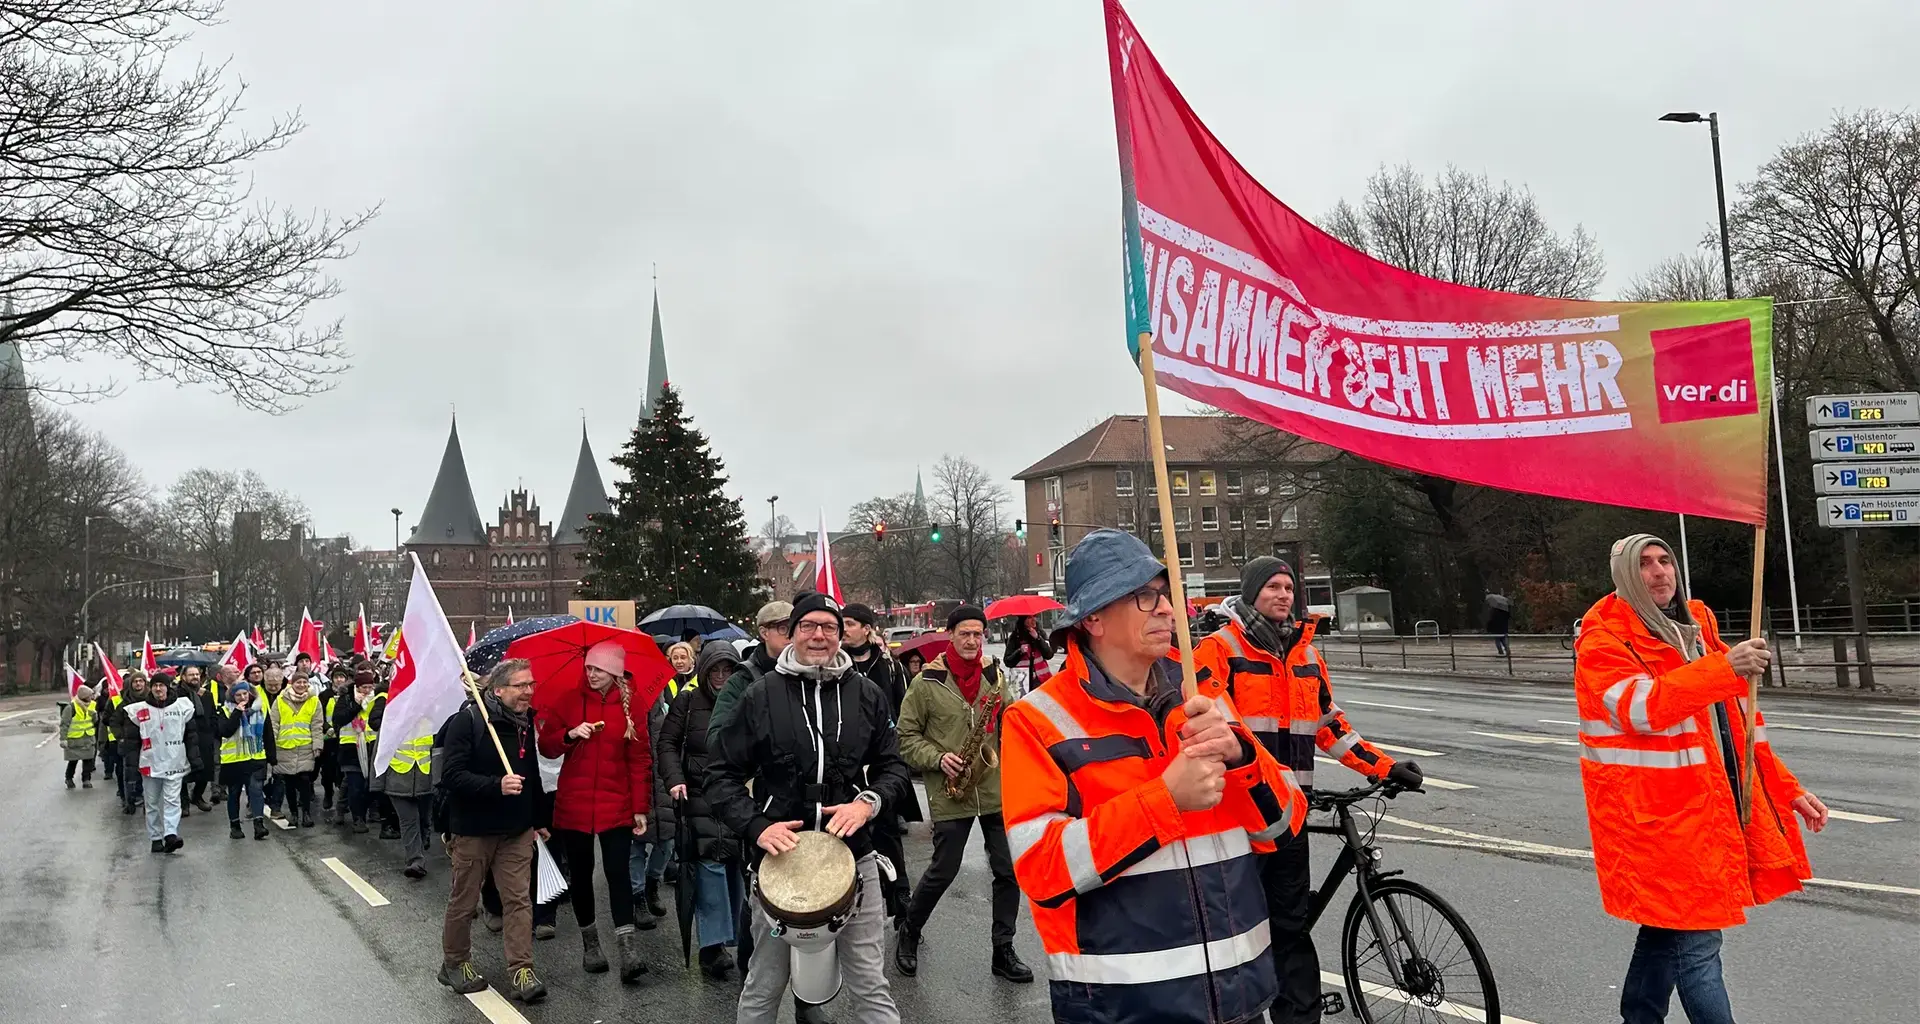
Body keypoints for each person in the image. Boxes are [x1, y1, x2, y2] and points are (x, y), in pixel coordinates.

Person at [1001, 529, 1307, 1024]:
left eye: (1166, 594)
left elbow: (1283, 826)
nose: (1166, 608)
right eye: (1145, 596)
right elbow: (1042, 868)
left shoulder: (1201, 695)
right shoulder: (1037, 720)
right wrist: (1165, 799)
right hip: (1124, 1006)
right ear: (1093, 618)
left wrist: (1242, 757)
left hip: (1240, 998)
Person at [1575, 534, 1826, 1024]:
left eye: (1665, 560)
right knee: (1698, 943)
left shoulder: (1694, 626)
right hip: (1656, 824)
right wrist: (1722, 667)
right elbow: (1640, 708)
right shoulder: (1604, 640)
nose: (1659, 572)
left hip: (1702, 814)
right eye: (1645, 564)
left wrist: (1788, 790)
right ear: (1624, 576)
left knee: (1668, 932)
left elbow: (1739, 731)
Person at [1191, 556, 1421, 1024]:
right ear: (1251, 593)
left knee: (1291, 928)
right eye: (1273, 587)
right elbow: (1218, 728)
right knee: (1236, 931)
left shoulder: (1307, 656)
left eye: (1289, 588)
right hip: (1238, 819)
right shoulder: (1219, 650)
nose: (1283, 595)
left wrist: (1384, 767)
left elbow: (1329, 725)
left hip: (1291, 817)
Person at [709, 592, 915, 1024]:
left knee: (870, 983)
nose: (819, 635)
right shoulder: (760, 694)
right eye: (808, 626)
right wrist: (757, 826)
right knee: (763, 984)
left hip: (853, 856)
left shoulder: (867, 693)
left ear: (840, 635)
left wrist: (868, 804)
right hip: (779, 860)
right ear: (792, 633)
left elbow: (894, 766)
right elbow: (720, 774)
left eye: (829, 627)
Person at [893, 606, 1032, 983]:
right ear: (951, 635)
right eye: (965, 633)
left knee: (1007, 871)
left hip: (993, 787)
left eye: (977, 634)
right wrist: (939, 759)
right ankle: (910, 930)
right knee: (944, 870)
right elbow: (905, 739)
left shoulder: (994, 675)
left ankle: (1003, 949)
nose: (972, 641)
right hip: (951, 790)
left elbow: (1012, 721)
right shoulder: (926, 682)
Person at [536, 640, 653, 982]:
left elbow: (639, 759)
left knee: (617, 874)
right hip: (574, 804)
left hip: (617, 805)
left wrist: (640, 807)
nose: (591, 674)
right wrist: (570, 734)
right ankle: (591, 946)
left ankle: (628, 951)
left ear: (614, 671)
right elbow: (546, 745)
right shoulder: (569, 700)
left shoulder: (634, 705)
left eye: (598, 669)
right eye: (588, 667)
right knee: (581, 875)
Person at [438, 658, 549, 1003]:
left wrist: (539, 817)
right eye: (521, 685)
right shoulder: (467, 721)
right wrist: (495, 785)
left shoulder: (525, 723)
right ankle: (455, 963)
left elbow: (531, 773)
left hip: (516, 829)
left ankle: (521, 970)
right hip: (473, 830)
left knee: (518, 900)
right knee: (465, 900)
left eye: (531, 684)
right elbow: (451, 776)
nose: (528, 691)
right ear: (498, 690)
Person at [657, 640, 748, 979]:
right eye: (716, 670)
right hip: (697, 794)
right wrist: (674, 779)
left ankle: (735, 937)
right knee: (709, 867)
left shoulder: (748, 699)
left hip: (737, 794)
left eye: (728, 670)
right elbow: (667, 743)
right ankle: (713, 946)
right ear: (706, 671)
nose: (721, 677)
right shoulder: (688, 701)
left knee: (735, 868)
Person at [840, 602, 919, 923]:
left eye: (850, 623)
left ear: (867, 629)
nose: (844, 629)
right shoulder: (837, 664)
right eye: (842, 623)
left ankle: (901, 900)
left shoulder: (888, 665)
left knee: (887, 833)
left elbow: (903, 707)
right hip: (848, 763)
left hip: (881, 759)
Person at [632, 641, 697, 925]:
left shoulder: (666, 709)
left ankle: (652, 884)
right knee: (636, 845)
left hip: (662, 781)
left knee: (666, 842)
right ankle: (636, 896)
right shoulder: (625, 713)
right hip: (635, 784)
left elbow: (672, 744)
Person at [123, 672, 204, 853]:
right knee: (152, 803)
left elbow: (191, 736)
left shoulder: (182, 707)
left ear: (168, 687)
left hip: (175, 762)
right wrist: (131, 766)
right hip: (149, 763)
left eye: (162, 685)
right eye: (155, 685)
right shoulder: (139, 710)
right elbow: (131, 741)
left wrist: (195, 759)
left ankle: (170, 835)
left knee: (172, 800)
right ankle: (155, 837)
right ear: (150, 688)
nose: (158, 689)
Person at [370, 675, 438, 878]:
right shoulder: (391, 719)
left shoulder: (433, 720)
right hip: (398, 779)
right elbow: (380, 752)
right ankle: (415, 860)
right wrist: (376, 783)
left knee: (424, 819)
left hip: (426, 778)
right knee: (409, 821)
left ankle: (422, 842)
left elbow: (439, 751)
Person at [706, 600, 793, 747]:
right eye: (783, 628)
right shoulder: (741, 681)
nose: (790, 635)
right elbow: (716, 740)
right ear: (764, 633)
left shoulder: (809, 674)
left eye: (795, 628)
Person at [216, 679, 277, 840]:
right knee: (234, 793)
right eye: (238, 695)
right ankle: (235, 826)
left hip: (256, 757)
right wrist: (237, 712)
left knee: (256, 790)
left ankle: (259, 825)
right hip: (234, 760)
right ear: (233, 697)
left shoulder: (260, 709)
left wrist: (272, 758)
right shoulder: (225, 710)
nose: (242, 697)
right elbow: (225, 731)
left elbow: (268, 734)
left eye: (245, 694)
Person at [271, 671, 326, 828]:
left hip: (305, 746)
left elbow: (317, 725)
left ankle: (306, 814)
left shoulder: (314, 701)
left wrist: (317, 745)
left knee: (305, 781)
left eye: (304, 682)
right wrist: (271, 746)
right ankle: (294, 814)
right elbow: (274, 723)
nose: (301, 685)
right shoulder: (280, 700)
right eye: (298, 682)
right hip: (284, 747)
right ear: (292, 683)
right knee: (289, 783)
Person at [332, 668, 384, 832]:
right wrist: (356, 705)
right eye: (364, 687)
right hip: (351, 748)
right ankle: (358, 819)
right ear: (357, 686)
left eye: (370, 687)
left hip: (371, 747)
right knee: (355, 786)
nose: (367, 690)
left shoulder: (377, 699)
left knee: (369, 786)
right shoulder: (346, 698)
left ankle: (369, 811)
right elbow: (338, 718)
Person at [180, 665, 219, 814]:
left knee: (206, 770)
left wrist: (212, 731)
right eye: (191, 675)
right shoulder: (177, 695)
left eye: (197, 674)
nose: (195, 677)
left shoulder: (206, 695)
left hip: (204, 737)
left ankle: (197, 796)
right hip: (185, 738)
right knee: (183, 773)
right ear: (184, 677)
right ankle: (183, 803)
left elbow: (213, 715)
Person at [112, 673, 151, 814]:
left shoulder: (151, 701)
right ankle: (130, 802)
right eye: (135, 681)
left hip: (148, 743)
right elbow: (114, 721)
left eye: (141, 681)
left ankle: (148, 804)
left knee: (149, 775)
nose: (138, 684)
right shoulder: (124, 703)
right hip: (130, 744)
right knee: (130, 775)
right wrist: (121, 737)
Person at [320, 663, 353, 821]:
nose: (339, 680)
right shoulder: (324, 695)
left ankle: (342, 799)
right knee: (327, 770)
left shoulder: (348, 696)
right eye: (336, 677)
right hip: (328, 738)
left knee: (342, 772)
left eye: (342, 677)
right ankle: (328, 793)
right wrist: (326, 728)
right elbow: (319, 715)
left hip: (344, 738)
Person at [1002, 615, 1055, 697]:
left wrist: (1038, 638)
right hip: (1023, 684)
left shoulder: (1040, 633)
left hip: (1042, 681)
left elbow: (1049, 654)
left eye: (1034, 617)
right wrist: (1020, 651)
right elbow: (1008, 661)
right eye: (1029, 618)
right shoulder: (1015, 637)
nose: (1033, 620)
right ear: (1023, 621)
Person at [60, 685, 101, 789]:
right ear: (84, 696)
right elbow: (64, 724)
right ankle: (69, 778)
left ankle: (86, 779)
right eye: (89, 695)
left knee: (88, 760)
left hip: (88, 738)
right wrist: (63, 739)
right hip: (75, 739)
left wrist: (95, 716)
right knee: (73, 760)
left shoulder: (92, 705)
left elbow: (95, 722)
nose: (91, 697)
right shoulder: (71, 707)